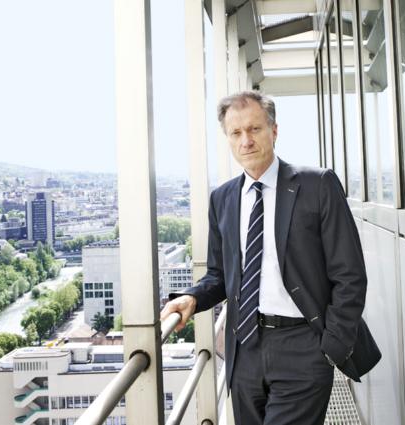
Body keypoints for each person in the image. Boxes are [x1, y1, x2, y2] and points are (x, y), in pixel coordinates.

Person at [160, 91, 381, 425]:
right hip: (244, 351)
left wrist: (331, 346)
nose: (246, 141)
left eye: (254, 129)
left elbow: (349, 274)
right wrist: (192, 297)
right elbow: (219, 274)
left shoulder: (317, 185)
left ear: (274, 131)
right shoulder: (222, 199)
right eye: (236, 133)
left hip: (303, 347)